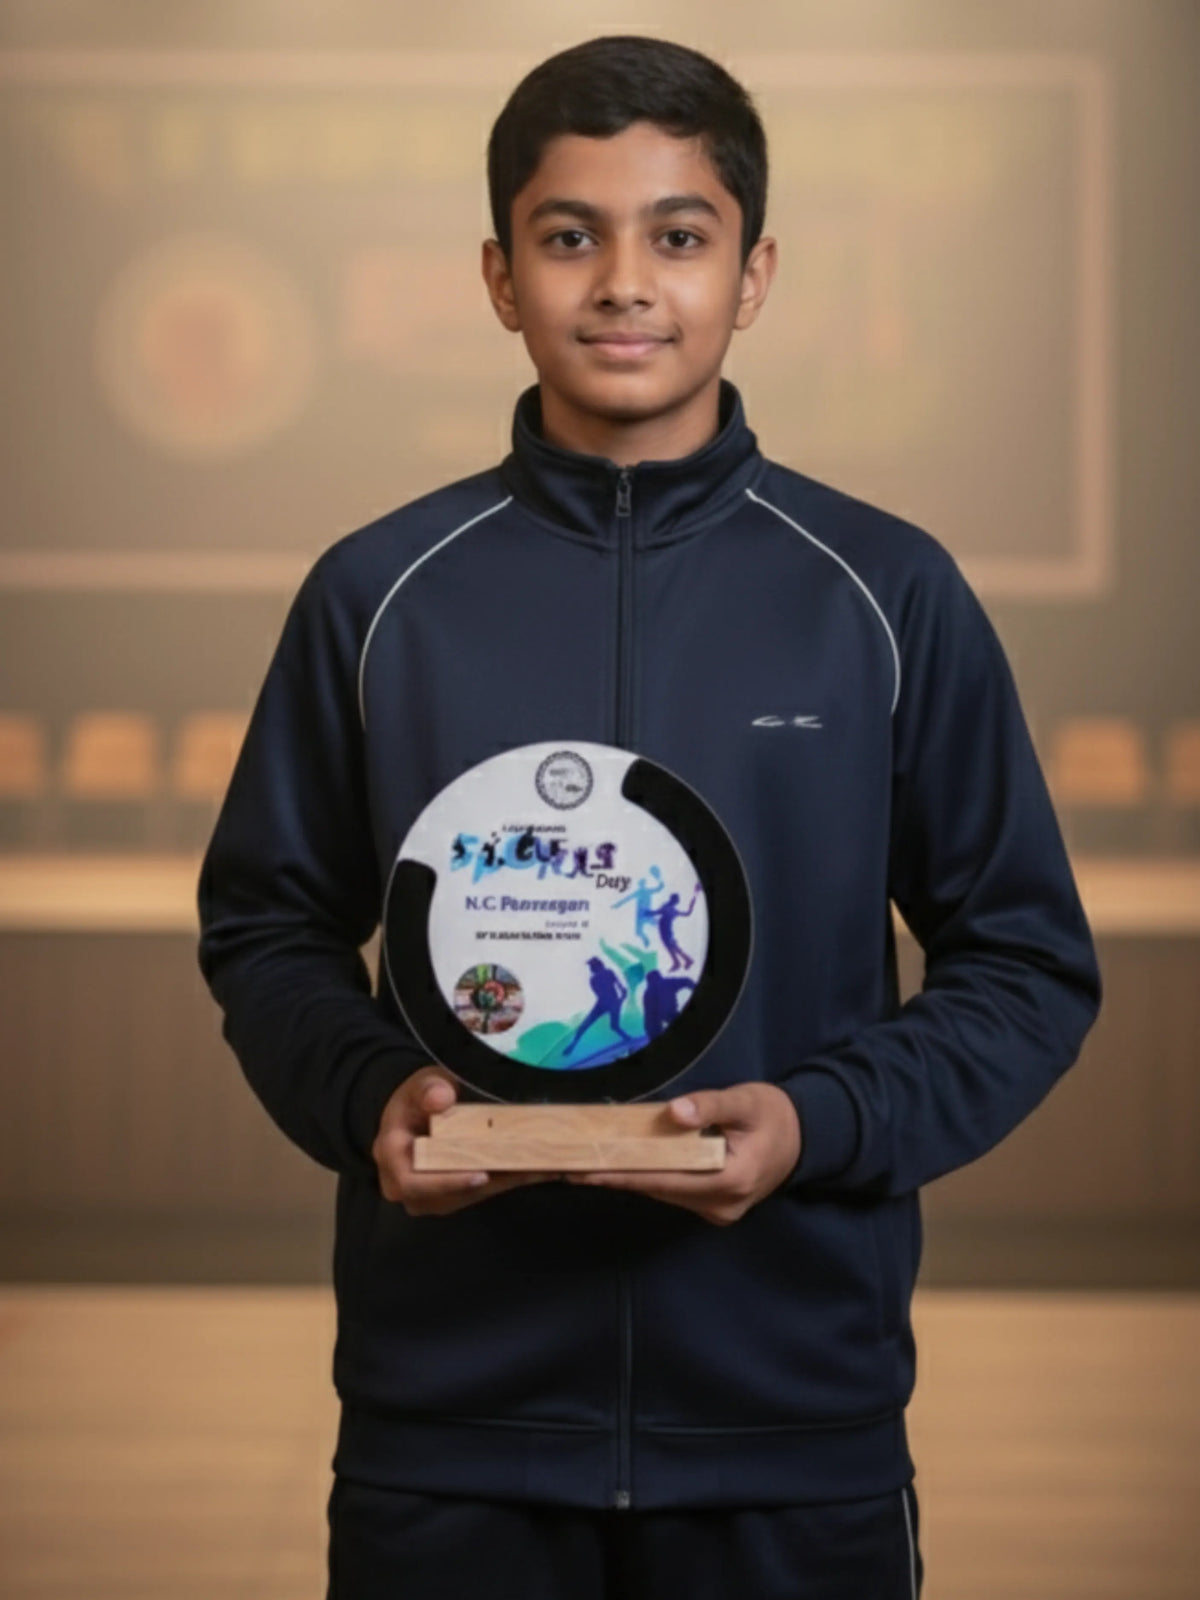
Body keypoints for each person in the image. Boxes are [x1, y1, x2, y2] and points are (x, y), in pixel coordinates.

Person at [196, 34, 1102, 1600]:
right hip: (450, 1428)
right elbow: (268, 928)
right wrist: (371, 1097)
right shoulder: (379, 594)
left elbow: (1026, 965)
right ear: (499, 275)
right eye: (571, 237)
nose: (625, 282)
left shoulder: (885, 594)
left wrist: (818, 1123)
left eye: (679, 236)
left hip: (789, 1425)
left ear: (752, 276)